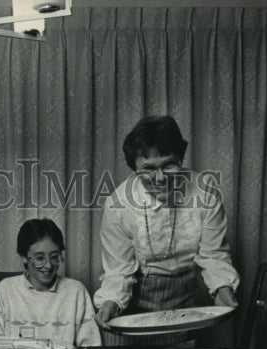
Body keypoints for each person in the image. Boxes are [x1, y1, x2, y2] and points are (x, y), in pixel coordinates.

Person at [94, 115, 239, 331]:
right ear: (134, 168)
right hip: (135, 303)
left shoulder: (205, 192)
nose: (160, 178)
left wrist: (222, 288)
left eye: (169, 165)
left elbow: (213, 255)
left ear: (180, 158)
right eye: (149, 169)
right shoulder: (118, 203)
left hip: (191, 299)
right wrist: (111, 302)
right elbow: (119, 270)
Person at [0, 218, 101, 349]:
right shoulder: (6, 290)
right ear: (24, 256)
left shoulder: (76, 291)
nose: (49, 265)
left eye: (55, 257)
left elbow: (92, 348)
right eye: (40, 258)